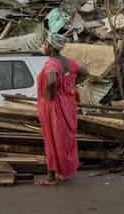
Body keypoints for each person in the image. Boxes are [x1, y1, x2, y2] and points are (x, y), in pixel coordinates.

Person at [36, 33, 88, 186]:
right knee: (65, 139)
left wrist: (51, 94)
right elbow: (85, 73)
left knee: (51, 139)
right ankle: (63, 170)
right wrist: (71, 84)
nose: (44, 47)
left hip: (53, 106)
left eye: (45, 44)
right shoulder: (69, 63)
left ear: (51, 47)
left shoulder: (51, 63)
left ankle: (51, 176)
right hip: (68, 104)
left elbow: (51, 80)